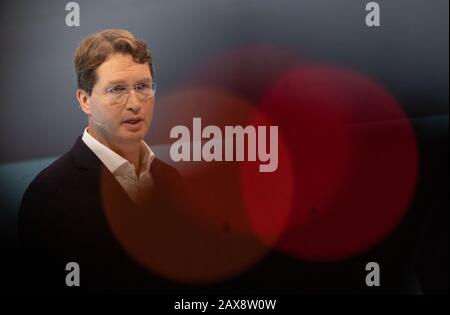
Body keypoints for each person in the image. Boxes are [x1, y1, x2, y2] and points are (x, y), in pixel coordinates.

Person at [18, 29, 183, 292]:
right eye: (117, 90)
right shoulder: (48, 196)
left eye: (142, 87)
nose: (135, 103)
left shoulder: (172, 180)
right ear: (85, 100)